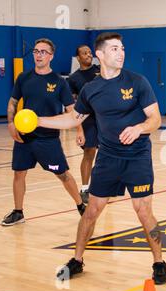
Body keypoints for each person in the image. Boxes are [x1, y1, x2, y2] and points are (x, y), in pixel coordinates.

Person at [38, 32, 166, 284]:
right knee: (92, 210)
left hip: (137, 158)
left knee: (143, 211)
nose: (121, 53)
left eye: (122, 49)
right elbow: (73, 119)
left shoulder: (137, 81)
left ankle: (159, 262)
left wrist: (139, 128)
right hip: (107, 158)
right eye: (115, 49)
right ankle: (77, 260)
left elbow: (155, 119)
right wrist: (37, 120)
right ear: (100, 54)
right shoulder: (91, 89)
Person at [2, 38, 86, 226]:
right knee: (19, 173)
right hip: (25, 137)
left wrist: (79, 130)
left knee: (62, 174)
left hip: (48, 139)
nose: (38, 55)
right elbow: (13, 102)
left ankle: (81, 206)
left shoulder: (58, 82)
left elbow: (71, 109)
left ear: (51, 56)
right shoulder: (24, 77)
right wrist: (10, 123)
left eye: (43, 52)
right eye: (36, 51)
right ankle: (18, 212)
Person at [67, 45, 101, 203]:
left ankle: (102, 185)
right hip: (87, 119)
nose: (88, 55)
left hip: (105, 117)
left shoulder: (101, 69)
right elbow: (72, 106)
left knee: (107, 153)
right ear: (78, 58)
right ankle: (85, 189)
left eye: (89, 52)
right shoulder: (73, 79)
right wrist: (78, 127)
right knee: (89, 152)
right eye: (84, 53)